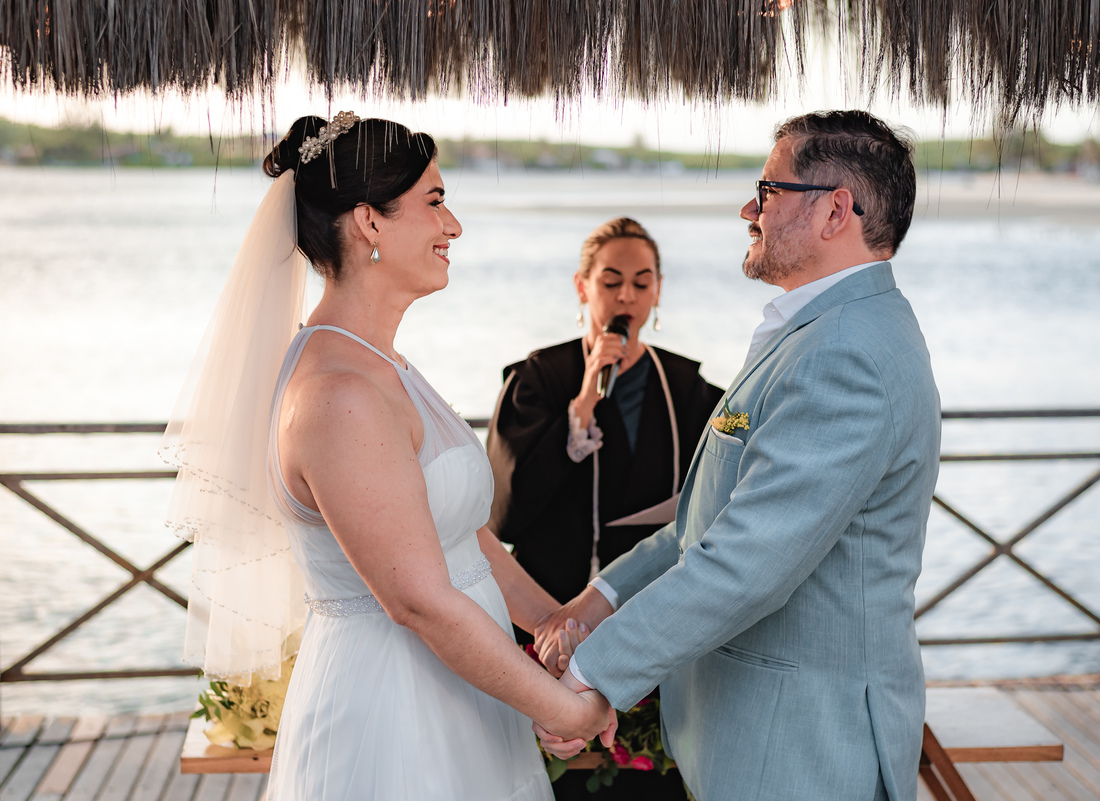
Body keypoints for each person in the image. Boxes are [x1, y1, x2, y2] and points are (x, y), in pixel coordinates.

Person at [162, 113, 613, 801]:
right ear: (369, 221)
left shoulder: (384, 366)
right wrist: (565, 708)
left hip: (465, 697)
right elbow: (420, 601)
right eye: (435, 201)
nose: (452, 226)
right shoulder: (338, 395)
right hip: (394, 717)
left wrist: (557, 626)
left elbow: (464, 537)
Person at [535, 110, 942, 801]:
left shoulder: (847, 353)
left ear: (835, 211)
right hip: (760, 743)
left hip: (804, 754)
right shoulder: (822, 330)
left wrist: (592, 674)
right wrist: (601, 598)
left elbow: (748, 564)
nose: (748, 208)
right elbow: (710, 524)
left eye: (768, 189)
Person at [487, 218, 724, 800]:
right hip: (551, 624)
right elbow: (504, 516)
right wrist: (581, 411)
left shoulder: (686, 388)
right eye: (612, 281)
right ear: (582, 285)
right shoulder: (540, 378)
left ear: (658, 292)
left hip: (647, 622)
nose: (626, 297)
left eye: (642, 284)